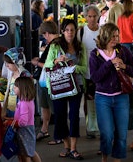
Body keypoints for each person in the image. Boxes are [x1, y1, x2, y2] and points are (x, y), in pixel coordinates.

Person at [89, 23, 133, 162]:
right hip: (103, 98)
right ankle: (105, 157)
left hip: (121, 97)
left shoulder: (123, 51)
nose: (115, 39)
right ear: (105, 36)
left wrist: (124, 66)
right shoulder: (95, 54)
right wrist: (109, 63)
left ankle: (117, 160)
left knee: (121, 134)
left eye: (117, 36)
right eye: (112, 36)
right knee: (107, 134)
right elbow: (95, 77)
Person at [44, 18, 87, 160]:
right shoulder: (55, 46)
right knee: (60, 116)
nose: (69, 33)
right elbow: (47, 65)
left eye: (72, 30)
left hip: (76, 85)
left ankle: (74, 148)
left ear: (76, 31)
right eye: (67, 30)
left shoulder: (81, 47)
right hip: (59, 85)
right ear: (62, 31)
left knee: (74, 116)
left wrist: (73, 66)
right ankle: (66, 146)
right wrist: (57, 60)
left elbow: (85, 68)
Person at [30, 21, 59, 143]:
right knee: (45, 106)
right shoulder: (54, 44)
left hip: (51, 81)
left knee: (55, 109)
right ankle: (44, 129)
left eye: (44, 35)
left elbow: (52, 65)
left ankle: (59, 135)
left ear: (47, 33)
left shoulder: (55, 45)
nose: (44, 37)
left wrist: (37, 63)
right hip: (45, 81)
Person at [77, 5, 101, 139]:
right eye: (89, 16)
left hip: (102, 71)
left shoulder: (102, 31)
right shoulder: (81, 32)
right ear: (85, 17)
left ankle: (99, 124)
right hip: (86, 72)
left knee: (101, 98)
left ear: (98, 16)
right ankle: (90, 125)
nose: (92, 19)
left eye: (94, 16)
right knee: (88, 99)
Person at [10, 76, 42, 162]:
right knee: (31, 151)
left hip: (24, 131)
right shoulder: (28, 100)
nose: (14, 88)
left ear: (22, 88)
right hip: (29, 129)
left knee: (26, 154)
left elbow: (23, 122)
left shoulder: (23, 103)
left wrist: (12, 122)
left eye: (16, 86)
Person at [2, 47, 32, 119]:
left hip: (21, 112)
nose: (6, 65)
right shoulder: (11, 74)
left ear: (16, 62)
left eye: (9, 63)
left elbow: (27, 97)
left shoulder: (24, 75)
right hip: (10, 109)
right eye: (6, 63)